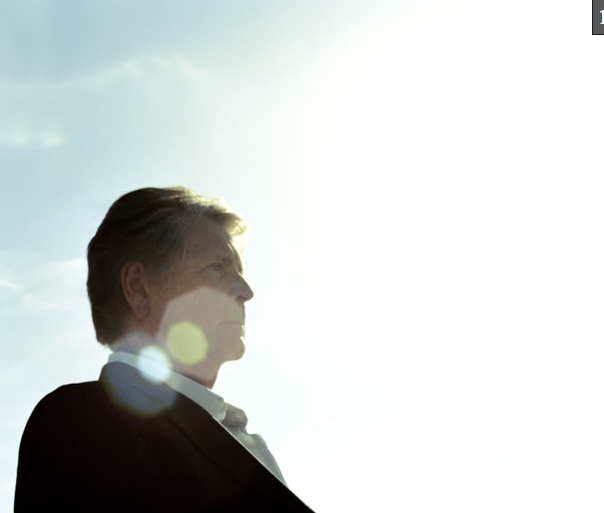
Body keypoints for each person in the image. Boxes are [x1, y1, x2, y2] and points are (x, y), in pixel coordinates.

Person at [14, 186, 313, 512]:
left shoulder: (242, 437)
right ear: (138, 288)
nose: (246, 290)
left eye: (240, 272)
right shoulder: (82, 422)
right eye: (217, 267)